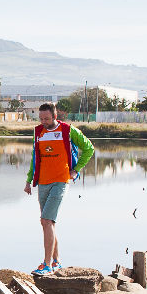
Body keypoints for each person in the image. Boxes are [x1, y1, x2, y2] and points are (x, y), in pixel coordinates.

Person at [24, 103, 94, 275]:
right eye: (41, 118)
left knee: (46, 220)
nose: (43, 121)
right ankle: (56, 261)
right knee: (48, 222)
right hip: (43, 181)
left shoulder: (68, 131)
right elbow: (35, 157)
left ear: (55, 116)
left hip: (61, 180)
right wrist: (29, 180)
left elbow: (89, 148)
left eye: (46, 118)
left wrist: (76, 169)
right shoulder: (38, 131)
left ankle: (46, 264)